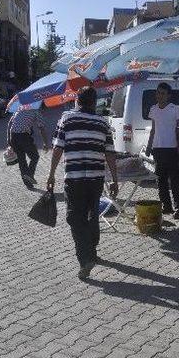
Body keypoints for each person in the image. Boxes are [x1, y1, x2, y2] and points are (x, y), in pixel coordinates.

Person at [46, 87, 118, 280]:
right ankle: (92, 251)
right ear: (95, 102)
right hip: (96, 179)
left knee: (74, 218)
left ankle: (85, 258)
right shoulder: (103, 123)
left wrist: (51, 174)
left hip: (75, 179)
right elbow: (110, 153)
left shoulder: (67, 119)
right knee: (92, 214)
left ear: (77, 100)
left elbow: (57, 148)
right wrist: (115, 180)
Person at [145, 82, 179, 219]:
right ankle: (166, 205)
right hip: (158, 149)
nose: (159, 96)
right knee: (160, 179)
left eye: (163, 93)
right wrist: (149, 146)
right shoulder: (153, 109)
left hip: (172, 149)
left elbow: (178, 130)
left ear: (168, 95)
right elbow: (153, 129)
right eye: (158, 93)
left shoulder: (175, 109)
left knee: (175, 180)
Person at [7, 103, 50, 189]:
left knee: (21, 160)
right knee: (35, 157)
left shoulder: (20, 108)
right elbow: (41, 128)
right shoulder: (36, 111)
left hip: (13, 136)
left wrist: (8, 139)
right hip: (23, 136)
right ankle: (29, 175)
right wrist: (45, 143)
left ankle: (28, 183)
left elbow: (10, 124)